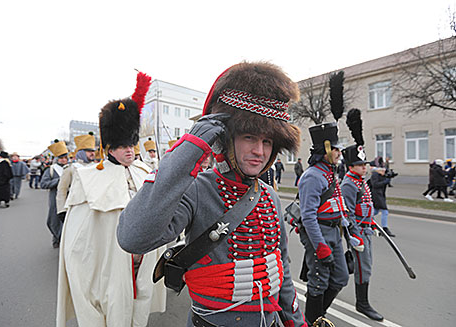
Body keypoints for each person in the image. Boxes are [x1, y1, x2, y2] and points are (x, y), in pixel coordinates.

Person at [118, 62, 307, 327]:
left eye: (267, 142)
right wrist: (191, 149)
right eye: (250, 137)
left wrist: (296, 322)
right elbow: (133, 237)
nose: (260, 151)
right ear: (227, 139)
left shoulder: (269, 195)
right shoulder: (196, 189)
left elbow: (281, 269)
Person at [56, 71, 166, 327]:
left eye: (132, 143)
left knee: (141, 301)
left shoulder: (144, 171)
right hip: (110, 259)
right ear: (109, 147)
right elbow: (79, 235)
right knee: (114, 303)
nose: (130, 150)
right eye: (122, 145)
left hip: (143, 257)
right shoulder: (88, 177)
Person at [298, 121, 364, 325]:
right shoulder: (312, 176)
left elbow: (338, 206)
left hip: (335, 233)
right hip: (319, 234)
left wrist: (351, 233)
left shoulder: (330, 173)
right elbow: (308, 216)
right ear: (325, 149)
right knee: (318, 282)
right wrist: (320, 245)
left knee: (341, 277)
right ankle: (312, 321)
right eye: (335, 149)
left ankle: (318, 314)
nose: (339, 152)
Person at [340, 113, 383, 321]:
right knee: (362, 266)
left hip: (366, 228)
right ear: (350, 166)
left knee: (368, 264)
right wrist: (354, 235)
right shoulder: (349, 183)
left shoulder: (360, 181)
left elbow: (366, 206)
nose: (364, 167)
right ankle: (362, 303)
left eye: (365, 164)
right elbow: (347, 211)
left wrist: (372, 223)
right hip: (357, 232)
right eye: (360, 164)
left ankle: (363, 301)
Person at [56, 132, 96, 218]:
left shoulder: (96, 167)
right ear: (81, 152)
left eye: (93, 151)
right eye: (89, 151)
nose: (92, 153)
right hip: (75, 207)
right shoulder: (70, 168)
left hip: (93, 207)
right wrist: (61, 210)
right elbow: (62, 190)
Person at [41, 140, 69, 248]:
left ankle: (64, 239)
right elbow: (43, 184)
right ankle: (56, 237)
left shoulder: (71, 168)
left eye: (65, 158)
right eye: (61, 158)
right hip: (55, 198)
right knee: (54, 220)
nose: (64, 160)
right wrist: (58, 181)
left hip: (68, 197)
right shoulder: (51, 170)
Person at [370, 167, 396, 236]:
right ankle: (385, 229)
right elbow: (375, 185)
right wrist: (385, 181)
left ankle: (367, 219)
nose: (384, 171)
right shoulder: (375, 175)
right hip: (376, 195)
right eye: (382, 170)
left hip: (380, 195)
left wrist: (389, 176)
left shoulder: (381, 175)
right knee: (385, 211)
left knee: (375, 211)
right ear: (378, 170)